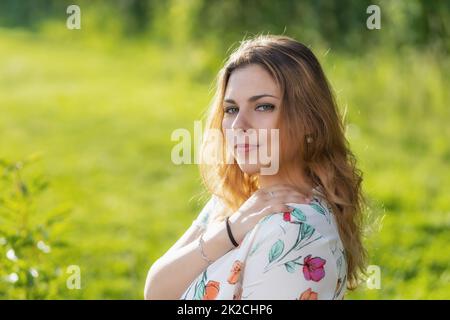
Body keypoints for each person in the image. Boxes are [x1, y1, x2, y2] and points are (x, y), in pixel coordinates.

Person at [144, 34, 366, 300]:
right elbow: (155, 290)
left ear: (310, 120)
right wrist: (229, 231)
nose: (239, 126)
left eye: (263, 106)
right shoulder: (237, 200)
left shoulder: (296, 233)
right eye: (231, 109)